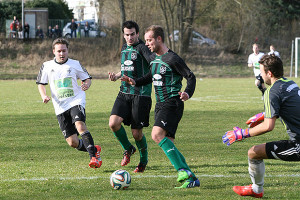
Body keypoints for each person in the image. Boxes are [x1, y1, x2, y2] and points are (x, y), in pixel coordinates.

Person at [121, 25, 199, 188]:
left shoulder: (173, 59)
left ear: (159, 39)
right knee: (167, 141)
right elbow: (151, 76)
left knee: (156, 135)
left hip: (172, 102)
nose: (147, 43)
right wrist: (134, 81)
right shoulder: (155, 59)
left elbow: (190, 77)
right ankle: (190, 176)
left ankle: (183, 171)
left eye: (149, 40)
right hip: (160, 104)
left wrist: (187, 93)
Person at [222, 54, 300, 198]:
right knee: (254, 152)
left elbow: (268, 126)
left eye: (262, 72)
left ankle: (257, 189)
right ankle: (256, 189)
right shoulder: (290, 83)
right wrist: (265, 114)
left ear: (269, 73)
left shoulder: (272, 91)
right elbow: (291, 107)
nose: (260, 75)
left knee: (253, 153)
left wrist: (242, 133)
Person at [36, 38, 102, 169]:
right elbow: (41, 84)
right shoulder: (47, 66)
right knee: (73, 142)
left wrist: (86, 85)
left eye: (64, 51)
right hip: (60, 106)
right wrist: (44, 96)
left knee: (80, 125)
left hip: (76, 101)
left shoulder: (75, 64)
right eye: (59, 51)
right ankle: (94, 149)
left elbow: (87, 78)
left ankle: (93, 158)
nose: (62, 54)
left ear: (68, 51)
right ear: (53, 51)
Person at [108, 21, 153, 173]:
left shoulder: (142, 48)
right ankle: (128, 148)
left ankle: (143, 160)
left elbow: (153, 68)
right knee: (113, 123)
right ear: (123, 35)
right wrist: (116, 76)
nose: (129, 37)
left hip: (141, 95)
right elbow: (125, 68)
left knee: (136, 133)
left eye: (132, 34)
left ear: (138, 34)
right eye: (127, 35)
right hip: (124, 92)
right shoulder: (124, 47)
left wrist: (137, 81)